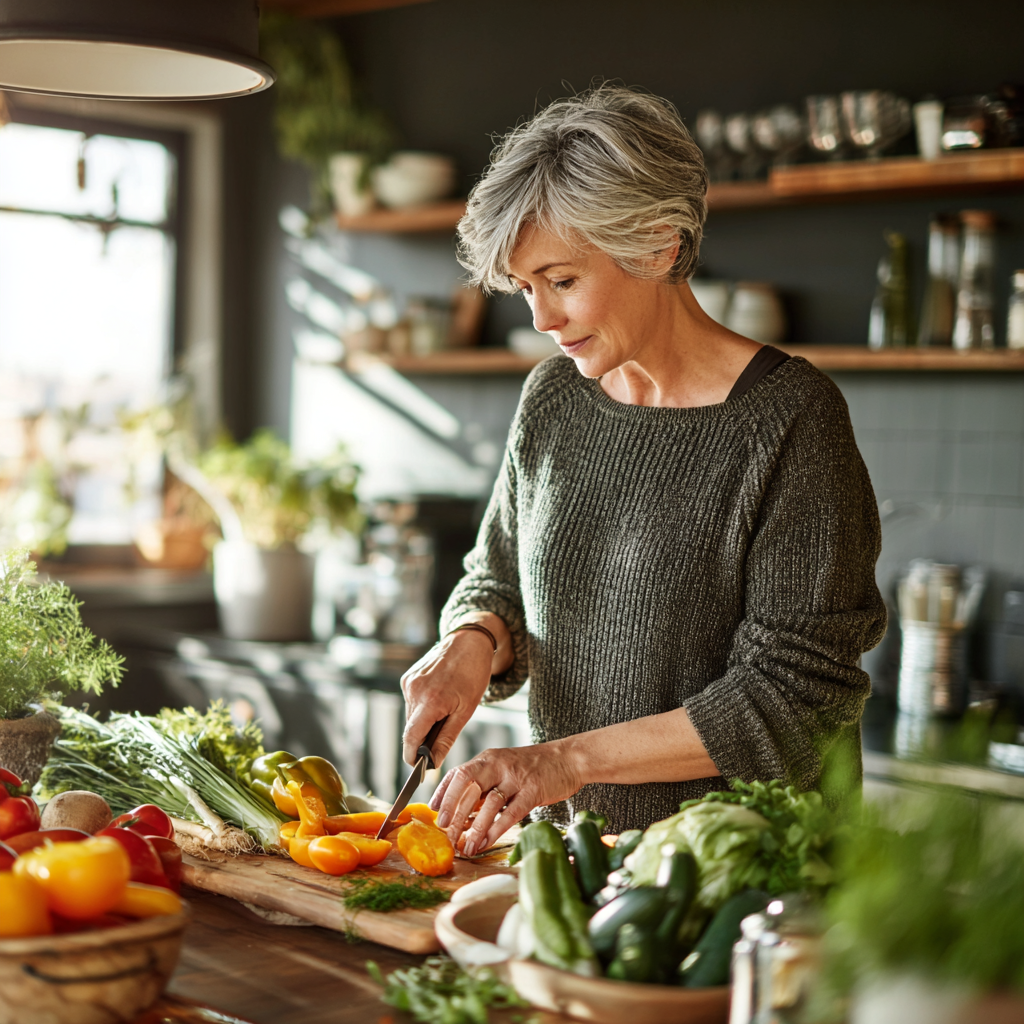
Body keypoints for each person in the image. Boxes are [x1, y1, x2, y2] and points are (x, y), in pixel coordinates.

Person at [400, 85, 886, 855]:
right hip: (586, 861)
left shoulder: (793, 421)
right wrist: (469, 645)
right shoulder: (555, 397)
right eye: (526, 288)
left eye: (562, 280)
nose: (540, 320)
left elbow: (793, 698)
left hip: (752, 878)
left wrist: (566, 760)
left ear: (658, 246)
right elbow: (497, 577)